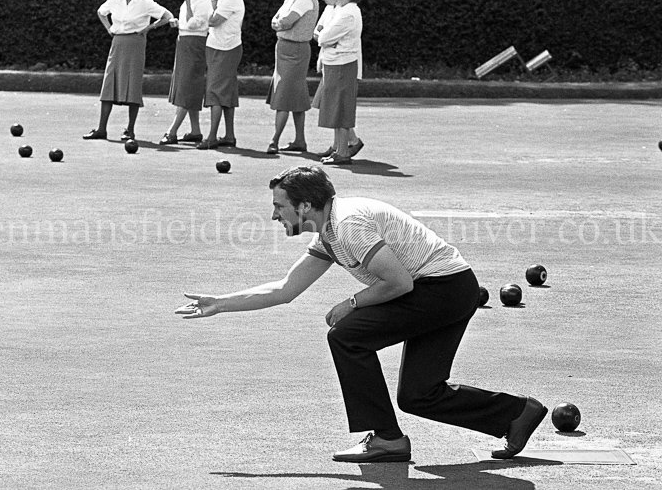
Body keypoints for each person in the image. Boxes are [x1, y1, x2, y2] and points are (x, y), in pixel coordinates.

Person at [175, 165, 547, 463]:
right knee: (418, 395)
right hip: (447, 290)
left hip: (443, 289)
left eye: (279, 206)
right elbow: (285, 289)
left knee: (346, 335)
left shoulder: (348, 224)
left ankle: (387, 439)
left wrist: (350, 303)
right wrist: (220, 303)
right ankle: (516, 414)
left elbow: (399, 283)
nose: (274, 215)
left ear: (304, 206)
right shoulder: (328, 233)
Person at [83, 0, 173, 142]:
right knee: (109, 83)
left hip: (136, 43)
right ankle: (102, 129)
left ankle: (130, 130)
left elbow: (167, 16)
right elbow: (101, 12)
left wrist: (149, 28)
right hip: (117, 42)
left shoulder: (145, 2)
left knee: (133, 85)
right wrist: (109, 28)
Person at [265, 0, 319, 156]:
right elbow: (276, 20)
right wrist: (280, 23)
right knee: (296, 94)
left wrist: (280, 23)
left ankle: (274, 140)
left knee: (284, 94)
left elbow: (286, 21)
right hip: (285, 50)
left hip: (296, 50)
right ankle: (299, 140)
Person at [311, 0, 363, 160]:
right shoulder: (343, 10)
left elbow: (323, 37)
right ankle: (338, 149)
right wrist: (326, 39)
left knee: (341, 109)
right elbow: (323, 36)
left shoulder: (348, 12)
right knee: (336, 108)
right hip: (335, 63)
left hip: (342, 64)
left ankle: (342, 152)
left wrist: (325, 38)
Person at [160, 0, 212, 146]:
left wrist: (188, 2)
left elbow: (193, 24)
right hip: (184, 42)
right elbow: (186, 22)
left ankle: (172, 131)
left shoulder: (203, 0)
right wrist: (177, 22)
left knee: (187, 86)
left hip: (195, 44)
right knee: (187, 84)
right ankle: (195, 130)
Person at [196, 0, 245, 150]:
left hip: (226, 49)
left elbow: (213, 21)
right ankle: (229, 136)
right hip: (218, 47)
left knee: (215, 91)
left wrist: (213, 1)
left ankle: (211, 137)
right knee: (227, 91)